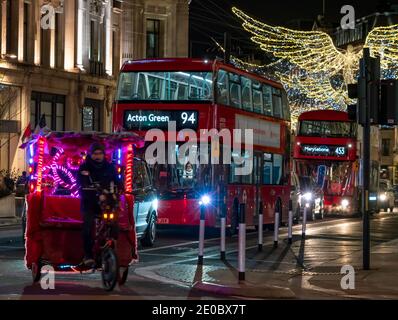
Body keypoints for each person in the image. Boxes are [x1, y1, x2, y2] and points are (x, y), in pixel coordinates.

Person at [77, 142, 119, 267]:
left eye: (100, 153)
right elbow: (81, 180)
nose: (97, 156)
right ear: (91, 154)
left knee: (114, 222)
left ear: (103, 154)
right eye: (95, 153)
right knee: (87, 226)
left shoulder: (110, 167)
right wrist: (87, 187)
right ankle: (88, 255)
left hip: (106, 202)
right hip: (90, 202)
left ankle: (110, 245)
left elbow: (116, 179)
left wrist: (120, 187)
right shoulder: (84, 167)